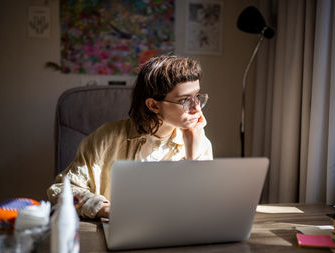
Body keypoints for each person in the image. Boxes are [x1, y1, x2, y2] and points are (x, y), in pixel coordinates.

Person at [47, 55, 213, 218]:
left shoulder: (198, 140)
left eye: (197, 96)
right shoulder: (106, 138)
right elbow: (61, 191)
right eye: (185, 100)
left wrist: (193, 156)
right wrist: (104, 209)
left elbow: (204, 206)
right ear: (153, 105)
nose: (197, 108)